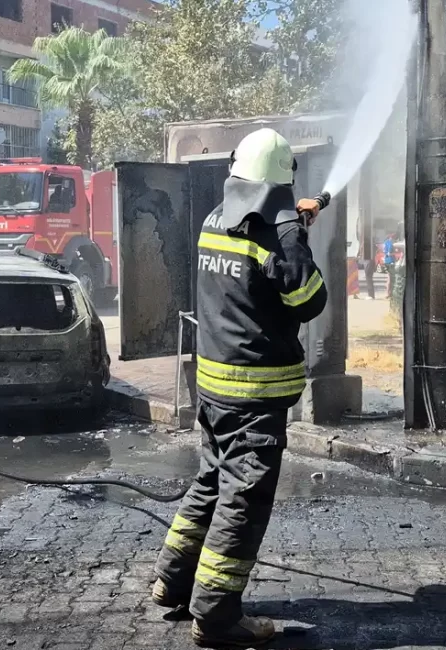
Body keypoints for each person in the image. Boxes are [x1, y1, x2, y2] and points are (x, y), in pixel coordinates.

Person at [151, 129, 327, 648]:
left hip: (214, 387)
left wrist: (292, 226)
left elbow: (256, 269)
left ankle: (172, 582)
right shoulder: (280, 234)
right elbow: (308, 302)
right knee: (242, 500)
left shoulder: (215, 217)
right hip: (254, 394)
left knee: (210, 482)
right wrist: (295, 234)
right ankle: (217, 614)